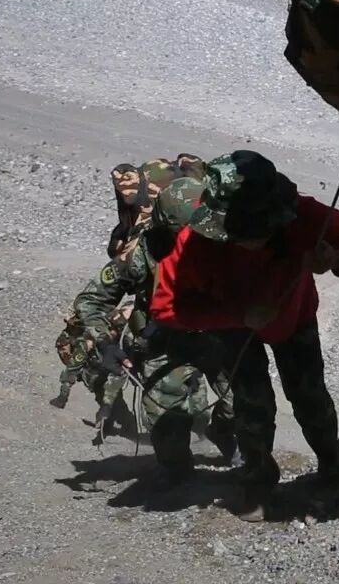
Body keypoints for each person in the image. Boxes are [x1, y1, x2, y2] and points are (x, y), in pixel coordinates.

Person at [148, 151, 339, 521]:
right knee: (252, 404)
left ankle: (334, 465)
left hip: (294, 318)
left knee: (311, 397)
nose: (251, 241)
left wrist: (337, 259)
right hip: (231, 327)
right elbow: (166, 307)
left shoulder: (305, 215)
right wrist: (237, 316)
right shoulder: (194, 240)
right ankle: (258, 479)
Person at [91, 177, 240, 480]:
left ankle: (223, 433)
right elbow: (92, 301)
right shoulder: (140, 254)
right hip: (163, 342)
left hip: (214, 335)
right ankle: (178, 474)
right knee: (168, 420)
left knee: (244, 401)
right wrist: (105, 343)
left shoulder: (221, 239)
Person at [49, 304, 132, 434]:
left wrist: (62, 396)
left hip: (102, 366)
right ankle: (124, 425)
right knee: (110, 397)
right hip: (102, 365)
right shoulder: (95, 328)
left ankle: (125, 426)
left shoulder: (88, 338)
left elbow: (73, 367)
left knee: (108, 396)